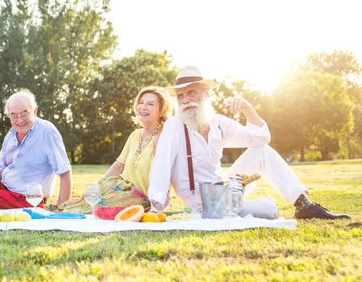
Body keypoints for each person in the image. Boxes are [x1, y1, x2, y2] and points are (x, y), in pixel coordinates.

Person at [148, 66, 351, 220]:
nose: (185, 100)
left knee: (261, 151)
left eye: (191, 92)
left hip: (225, 189)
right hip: (200, 204)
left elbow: (260, 138)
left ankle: (303, 204)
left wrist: (247, 107)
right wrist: (155, 206)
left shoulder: (217, 122)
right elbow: (161, 165)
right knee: (270, 210)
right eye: (181, 95)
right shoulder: (174, 125)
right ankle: (246, 207)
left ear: (206, 94)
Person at [57, 86, 172, 214]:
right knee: (88, 199)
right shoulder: (135, 135)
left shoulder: (162, 139)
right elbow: (119, 165)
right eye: (141, 102)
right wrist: (98, 186)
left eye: (150, 104)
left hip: (140, 197)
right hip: (120, 186)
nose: (143, 107)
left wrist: (159, 203)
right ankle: (62, 211)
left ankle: (69, 214)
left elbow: (165, 176)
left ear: (162, 111)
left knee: (100, 207)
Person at [0, 89, 72, 209]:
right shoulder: (11, 133)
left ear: (35, 111)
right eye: (14, 115)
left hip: (24, 197)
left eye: (24, 114)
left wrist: (61, 208)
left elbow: (65, 172)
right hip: (4, 183)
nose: (19, 120)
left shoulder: (47, 132)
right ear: (9, 115)